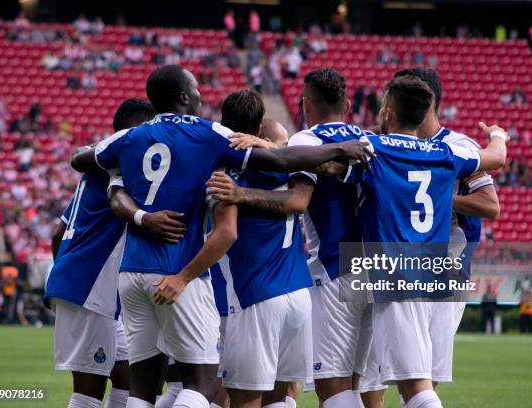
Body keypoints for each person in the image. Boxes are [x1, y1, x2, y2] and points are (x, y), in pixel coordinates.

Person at [70, 64, 370, 408]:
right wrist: (337, 150)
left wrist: (115, 170)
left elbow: (82, 160)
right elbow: (287, 165)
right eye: (197, 91)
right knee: (207, 385)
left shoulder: (132, 139)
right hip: (255, 282)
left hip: (144, 272)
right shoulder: (212, 139)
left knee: (146, 384)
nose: (201, 97)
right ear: (184, 96)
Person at [207, 68, 375, 408]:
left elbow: (298, 198)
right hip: (372, 266)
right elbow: (325, 166)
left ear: (305, 103)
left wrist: (241, 191)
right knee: (357, 387)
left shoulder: (304, 143)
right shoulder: (370, 141)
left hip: (325, 269)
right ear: (346, 103)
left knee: (331, 387)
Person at [341, 75, 508, 408]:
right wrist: (498, 136)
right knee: (387, 372)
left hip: (428, 267)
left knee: (416, 380)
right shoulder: (451, 153)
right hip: (416, 266)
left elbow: (491, 205)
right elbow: (496, 156)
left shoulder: (385, 146)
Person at [44, 99, 186, 408]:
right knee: (88, 390)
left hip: (86, 286)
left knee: (129, 381)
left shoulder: (96, 171)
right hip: (89, 288)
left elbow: (58, 233)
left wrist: (67, 276)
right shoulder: (123, 166)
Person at [392, 67, 500, 398]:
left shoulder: (458, 145)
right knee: (404, 376)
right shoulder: (397, 143)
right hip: (404, 266)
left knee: (422, 377)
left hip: (446, 267)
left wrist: (441, 200)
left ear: (429, 100)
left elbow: (490, 205)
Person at [206, 91, 312, 408]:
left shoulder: (229, 170)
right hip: (299, 294)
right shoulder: (295, 166)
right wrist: (273, 146)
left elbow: (226, 231)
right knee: (283, 397)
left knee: (243, 398)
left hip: (257, 295)